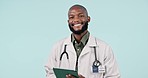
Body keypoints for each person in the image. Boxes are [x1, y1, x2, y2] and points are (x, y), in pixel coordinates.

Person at [45, 4, 120, 78]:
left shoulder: (104, 48)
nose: (76, 20)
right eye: (72, 17)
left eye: (81, 16)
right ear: (68, 21)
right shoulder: (58, 47)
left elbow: (113, 76)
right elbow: (50, 73)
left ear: (88, 19)